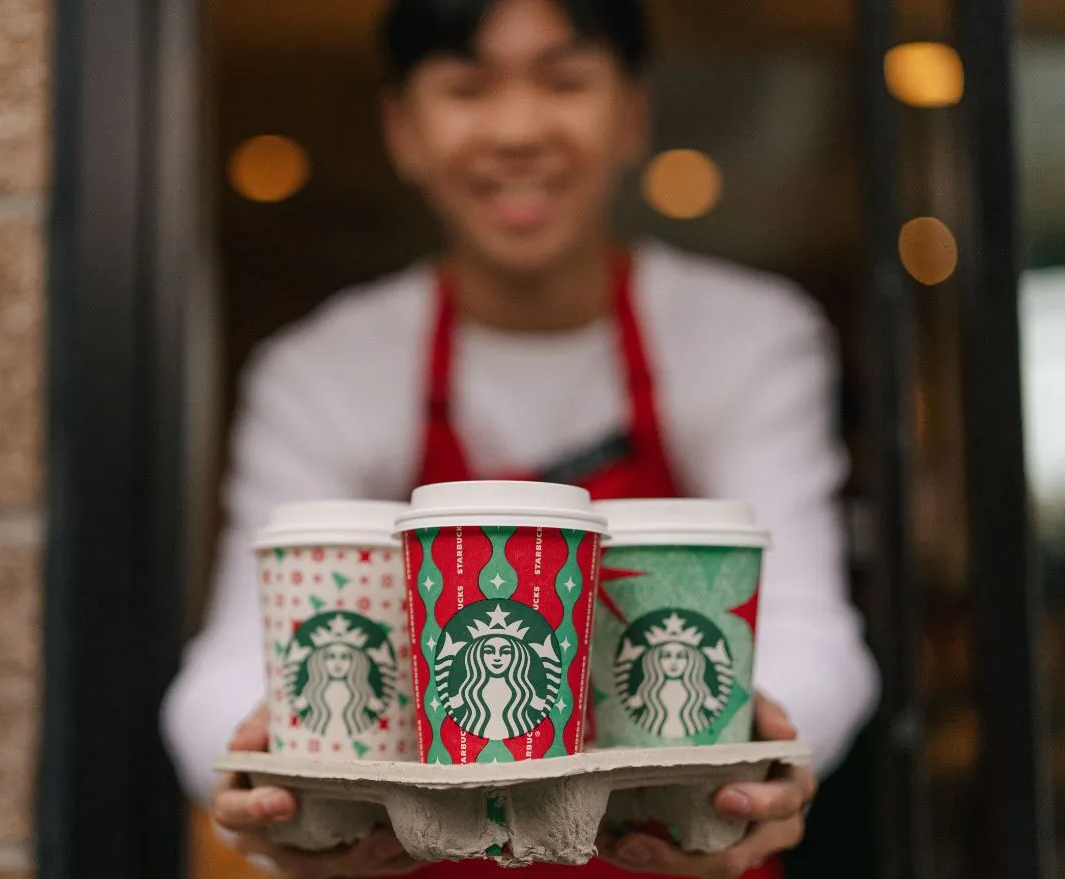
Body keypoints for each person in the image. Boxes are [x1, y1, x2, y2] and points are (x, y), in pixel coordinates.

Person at [161, 0, 880, 876]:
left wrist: (760, 766)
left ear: (632, 114)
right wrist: (268, 792)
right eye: (466, 87)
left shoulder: (749, 336)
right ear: (402, 128)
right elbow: (242, 652)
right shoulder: (322, 368)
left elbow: (806, 627)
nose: (516, 129)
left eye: (566, 80)